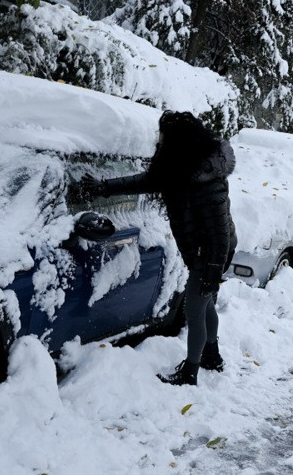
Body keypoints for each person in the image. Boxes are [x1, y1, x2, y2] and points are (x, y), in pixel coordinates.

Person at [82, 111, 237, 386]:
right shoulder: (178, 168)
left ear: (179, 140)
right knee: (205, 304)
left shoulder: (207, 180)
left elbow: (220, 235)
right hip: (201, 250)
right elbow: (143, 182)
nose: (160, 139)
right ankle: (212, 356)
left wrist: (212, 272)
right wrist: (103, 187)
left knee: (194, 308)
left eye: (163, 135)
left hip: (212, 252)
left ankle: (190, 372)